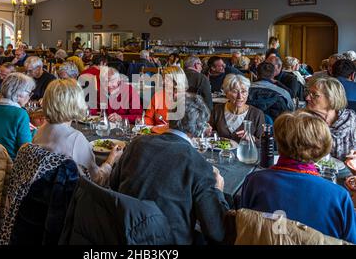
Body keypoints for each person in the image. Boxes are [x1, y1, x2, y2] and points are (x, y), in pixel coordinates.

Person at [110, 93, 229, 244]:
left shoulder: (137, 143)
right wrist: (218, 190)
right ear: (199, 128)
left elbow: (113, 186)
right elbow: (217, 230)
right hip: (167, 240)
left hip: (124, 233)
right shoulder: (198, 163)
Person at [241, 111, 356, 243]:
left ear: (279, 141)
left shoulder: (254, 181)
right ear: (321, 148)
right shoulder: (339, 197)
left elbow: (245, 227)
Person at [33, 79, 123, 186]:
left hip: (43, 194)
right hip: (70, 199)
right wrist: (111, 159)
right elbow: (97, 181)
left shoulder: (40, 130)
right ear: (76, 103)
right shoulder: (75, 138)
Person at [0, 73, 36, 159]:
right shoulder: (20, 114)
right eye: (29, 93)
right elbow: (26, 149)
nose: (29, 97)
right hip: (10, 164)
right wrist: (34, 132)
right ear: (19, 94)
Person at [305, 76, 356, 161]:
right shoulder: (305, 121)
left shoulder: (351, 119)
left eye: (314, 95)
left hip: (347, 171)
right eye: (309, 93)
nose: (307, 98)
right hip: (312, 172)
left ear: (331, 98)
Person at [210, 74, 264, 145]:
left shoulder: (257, 114)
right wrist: (209, 132)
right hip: (220, 153)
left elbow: (263, 143)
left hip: (245, 154)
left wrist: (251, 138)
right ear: (226, 93)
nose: (240, 96)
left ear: (248, 93)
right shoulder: (217, 110)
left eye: (243, 91)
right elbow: (210, 134)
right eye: (235, 92)